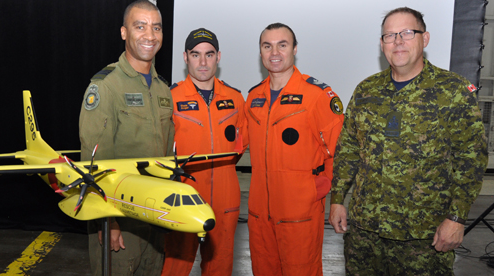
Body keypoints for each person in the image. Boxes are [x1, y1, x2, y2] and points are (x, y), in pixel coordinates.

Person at [328, 7, 488, 275]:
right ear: (382, 45)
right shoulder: (366, 91)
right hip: (366, 233)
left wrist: (457, 218)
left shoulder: (453, 91)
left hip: (423, 237)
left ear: (424, 39)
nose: (398, 42)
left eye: (406, 33)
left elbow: (471, 159)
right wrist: (336, 199)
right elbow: (349, 151)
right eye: (390, 36)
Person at [78, 1, 174, 275]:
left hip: (156, 216)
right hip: (121, 219)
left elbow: (168, 158)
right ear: (123, 32)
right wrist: (109, 222)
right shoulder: (106, 86)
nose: (150, 35)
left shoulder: (162, 89)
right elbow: (93, 163)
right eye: (140, 26)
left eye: (156, 28)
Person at [245, 23, 344, 275]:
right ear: (260, 52)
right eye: (267, 46)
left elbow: (340, 151)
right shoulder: (253, 98)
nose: (274, 52)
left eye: (282, 45)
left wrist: (320, 188)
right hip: (260, 215)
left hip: (300, 214)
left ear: (295, 49)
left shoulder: (317, 95)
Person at [161, 28, 248, 276]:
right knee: (175, 265)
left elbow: (240, 145)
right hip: (183, 195)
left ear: (218, 57)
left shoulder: (235, 98)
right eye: (196, 54)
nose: (202, 62)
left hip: (226, 195)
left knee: (220, 265)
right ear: (185, 57)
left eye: (209, 54)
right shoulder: (170, 97)